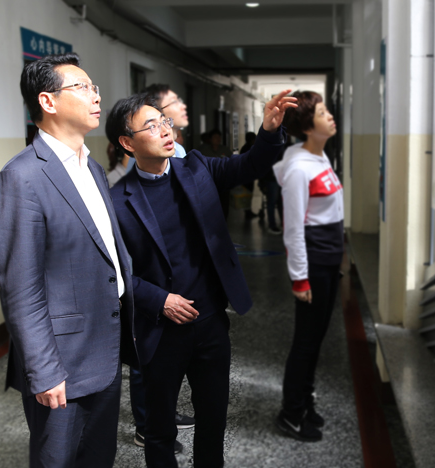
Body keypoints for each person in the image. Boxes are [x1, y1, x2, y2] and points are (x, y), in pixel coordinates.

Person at [106, 90, 296, 467]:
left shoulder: (196, 169)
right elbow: (114, 272)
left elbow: (249, 164)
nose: (165, 130)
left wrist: (269, 131)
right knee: (159, 429)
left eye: (164, 122)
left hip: (210, 323)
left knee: (213, 420)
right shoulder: (117, 202)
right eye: (151, 126)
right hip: (160, 331)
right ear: (127, 143)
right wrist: (159, 299)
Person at [0, 53, 135, 467]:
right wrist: (44, 370)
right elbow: (21, 288)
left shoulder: (93, 169)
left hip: (104, 349)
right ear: (48, 101)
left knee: (99, 457)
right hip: (61, 364)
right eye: (83, 87)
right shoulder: (21, 178)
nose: (96, 96)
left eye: (95, 88)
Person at [114, 83, 196, 452]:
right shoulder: (128, 181)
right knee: (144, 355)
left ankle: (161, 414)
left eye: (165, 119)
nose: (168, 121)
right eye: (168, 107)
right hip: (147, 287)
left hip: (176, 285)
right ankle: (147, 424)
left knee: (165, 362)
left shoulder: (181, 157)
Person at [273, 91, 344, 442]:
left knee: (316, 340)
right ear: (306, 126)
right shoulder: (299, 168)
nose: (330, 116)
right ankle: (291, 413)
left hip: (329, 261)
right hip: (313, 265)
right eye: (321, 113)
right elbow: (293, 229)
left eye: (327, 110)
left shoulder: (320, 156)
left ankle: (304, 401)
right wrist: (300, 278)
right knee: (305, 341)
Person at [199, 129, 233, 219]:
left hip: (223, 182)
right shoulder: (203, 151)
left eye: (219, 137)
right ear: (210, 139)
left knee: (224, 205)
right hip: (208, 183)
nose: (218, 139)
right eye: (215, 137)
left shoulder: (225, 150)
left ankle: (224, 222)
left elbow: (232, 163)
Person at [239, 131, 260, 219]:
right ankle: (247, 212)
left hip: (246, 174)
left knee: (248, 193)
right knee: (248, 193)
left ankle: (248, 211)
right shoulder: (249, 148)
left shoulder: (245, 148)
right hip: (247, 174)